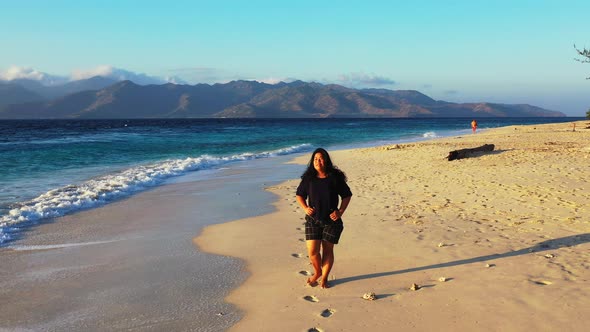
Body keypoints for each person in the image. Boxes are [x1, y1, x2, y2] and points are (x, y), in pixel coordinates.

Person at [296, 148, 352, 289]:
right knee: (313, 252)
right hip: (312, 220)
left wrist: (340, 211)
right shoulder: (308, 178)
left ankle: (324, 278)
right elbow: (299, 195)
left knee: (328, 251)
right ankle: (318, 272)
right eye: (315, 159)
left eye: (320, 159)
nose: (317, 161)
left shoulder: (335, 178)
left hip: (332, 221)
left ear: (326, 160)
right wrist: (305, 208)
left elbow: (347, 195)